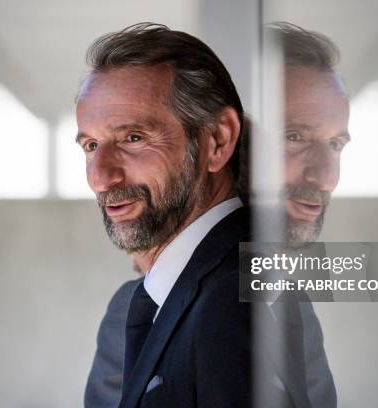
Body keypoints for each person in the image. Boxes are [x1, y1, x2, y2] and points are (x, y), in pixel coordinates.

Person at [82, 22, 350, 407]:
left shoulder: (287, 302)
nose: (326, 177)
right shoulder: (145, 306)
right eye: (293, 136)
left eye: (335, 143)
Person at [76, 23, 253, 407]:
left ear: (218, 141)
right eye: (91, 145)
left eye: (133, 138)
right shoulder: (162, 294)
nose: (100, 178)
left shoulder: (237, 297)